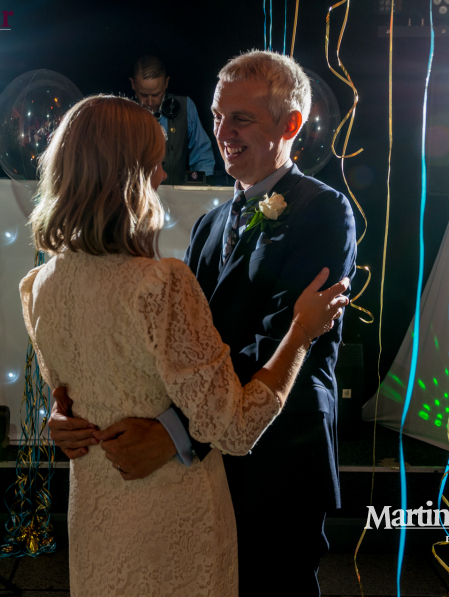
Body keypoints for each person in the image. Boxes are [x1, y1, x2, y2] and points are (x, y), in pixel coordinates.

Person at [50, 52, 358, 595]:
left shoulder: (325, 212)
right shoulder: (211, 222)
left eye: (242, 118)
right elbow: (178, 347)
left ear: (291, 125)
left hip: (278, 455)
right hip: (209, 462)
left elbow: (273, 338)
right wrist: (70, 407)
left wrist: (175, 432)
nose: (223, 132)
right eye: (217, 116)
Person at [130, 54, 215, 184]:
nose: (150, 102)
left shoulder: (186, 107)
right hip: (135, 195)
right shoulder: (122, 114)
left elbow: (202, 155)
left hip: (176, 197)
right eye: (143, 95)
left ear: (166, 83)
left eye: (156, 94)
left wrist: (201, 187)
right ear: (133, 85)